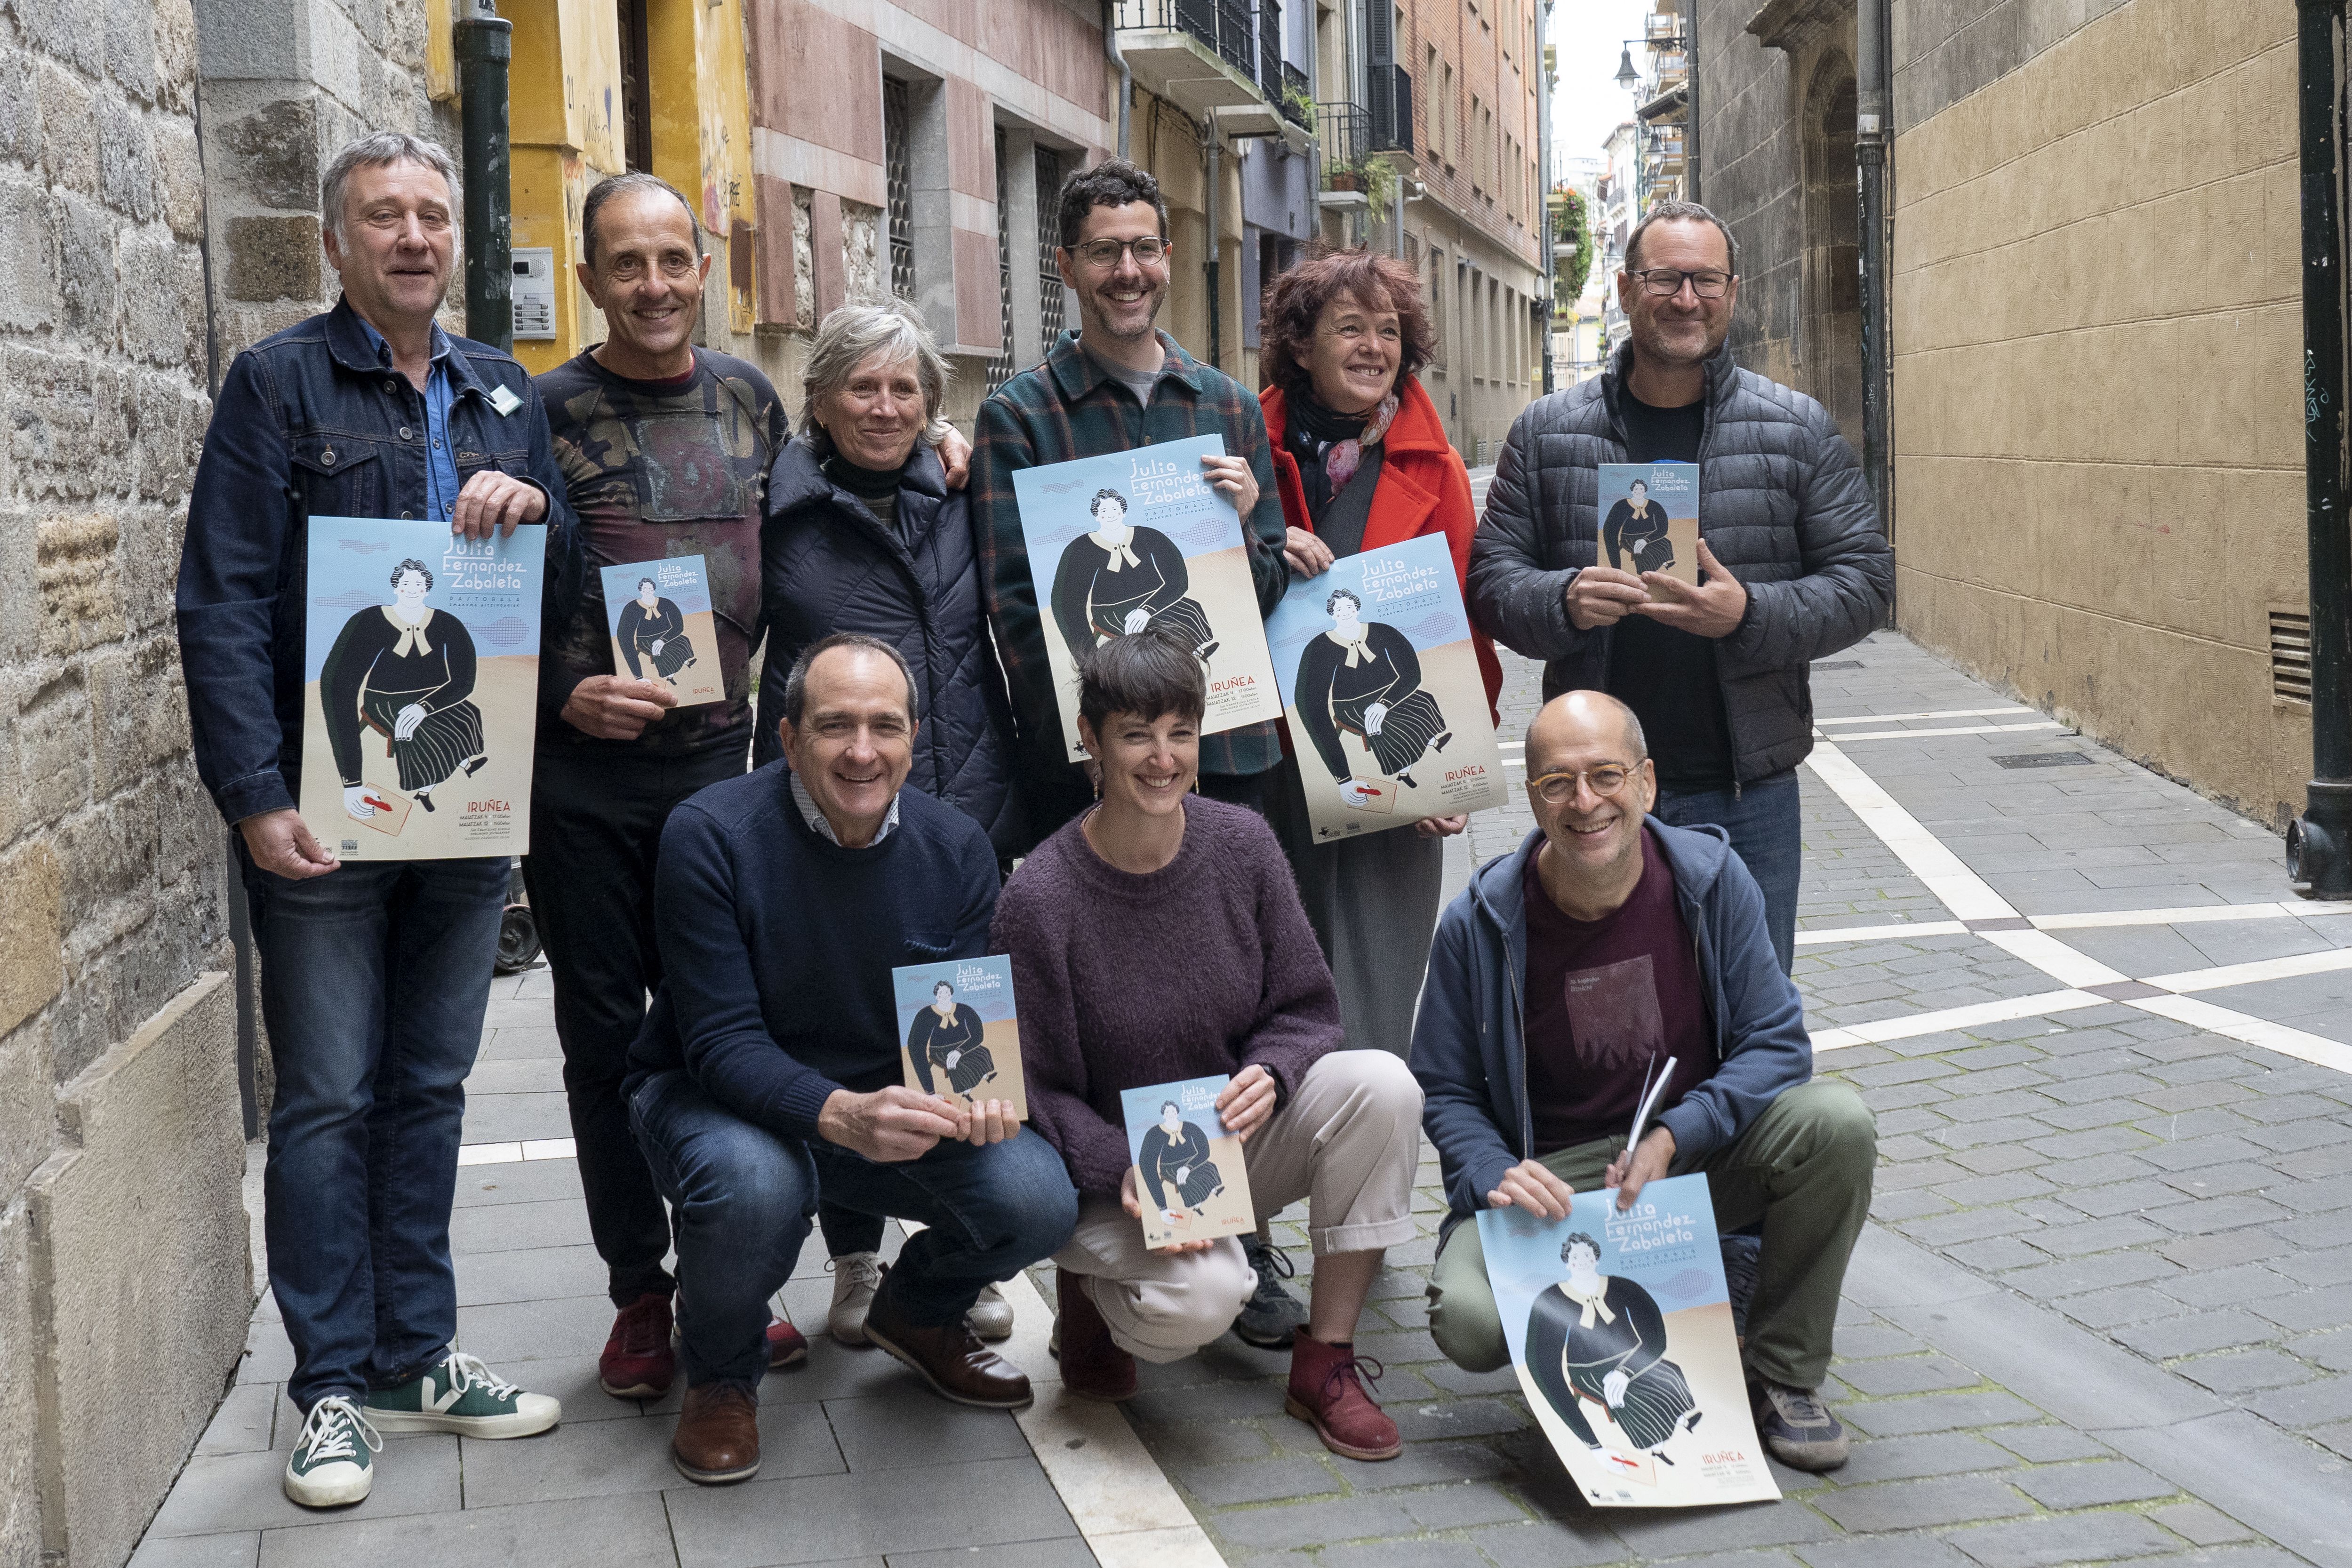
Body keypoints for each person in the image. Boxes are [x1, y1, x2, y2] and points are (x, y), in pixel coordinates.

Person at [176, 132, 573, 1509]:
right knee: (332, 1098)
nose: (411, 237)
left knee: (429, 1089)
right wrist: (254, 796)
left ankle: (415, 1352)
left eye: (428, 217)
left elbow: (550, 591)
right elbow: (219, 601)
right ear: (337, 243)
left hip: (462, 812)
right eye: (381, 218)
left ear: (449, 241)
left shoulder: (504, 394)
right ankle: (330, 1383)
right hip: (323, 821)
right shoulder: (278, 385)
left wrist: (538, 509)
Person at [975, 157, 1304, 1344]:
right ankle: (1106, 1240)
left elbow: (1257, 589)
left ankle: (1248, 1242)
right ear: (1066, 267)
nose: (1130, 271)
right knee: (1109, 1019)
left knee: (1229, 1005)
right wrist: (1093, 758)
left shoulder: (1225, 403)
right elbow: (1018, 608)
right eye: (1105, 251)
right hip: (1099, 771)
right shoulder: (1020, 411)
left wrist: (1246, 523)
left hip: (1227, 759)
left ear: (1172, 258)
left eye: (1146, 249)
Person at [626, 634, 1074, 1486]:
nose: (862, 751)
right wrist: (841, 1113)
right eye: (835, 726)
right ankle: (721, 1370)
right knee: (759, 1184)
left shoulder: (958, 850)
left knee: (1037, 1195)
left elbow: (969, 1034)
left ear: (913, 739)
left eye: (885, 726)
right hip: (708, 1095)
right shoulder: (710, 834)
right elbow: (718, 1043)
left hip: (877, 1107)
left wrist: (979, 1098)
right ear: (789, 739)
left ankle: (917, 1312)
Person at [1411, 690, 1876, 1472]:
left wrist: (1675, 1133)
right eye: (1557, 782)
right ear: (1531, 797)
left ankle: (1781, 1371)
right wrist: (1493, 1173)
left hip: (1684, 1157)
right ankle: (1599, 1349)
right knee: (1467, 1321)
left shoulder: (1708, 881)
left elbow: (1776, 1043)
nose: (1584, 802)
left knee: (1835, 1123)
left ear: (1648, 783)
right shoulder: (1482, 919)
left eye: (1604, 775)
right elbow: (1443, 1085)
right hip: (1552, 1176)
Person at [994, 632, 1425, 1462]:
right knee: (1204, 1303)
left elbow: (1305, 1006)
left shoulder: (1243, 845)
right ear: (1090, 739)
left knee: (1383, 1084)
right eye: (1135, 734)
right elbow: (1034, 1087)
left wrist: (1273, 1069)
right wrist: (1120, 1166)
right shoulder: (1039, 898)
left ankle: (1325, 1357)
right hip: (1107, 1179)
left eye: (1179, 733)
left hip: (1225, 1151)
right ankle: (1093, 1291)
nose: (1162, 758)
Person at [526, 172, 806, 1401]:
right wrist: (555, 697)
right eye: (624, 264)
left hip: (721, 775)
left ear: (704, 270)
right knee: (600, 1037)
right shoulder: (532, 413)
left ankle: (725, 1276)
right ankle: (639, 1290)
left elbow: (813, 538)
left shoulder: (750, 400)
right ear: (588, 278)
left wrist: (937, 450)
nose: (651, 285)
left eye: (671, 261)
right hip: (582, 786)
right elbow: (467, 600)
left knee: (717, 1025)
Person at [1468, 200, 1892, 973]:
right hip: (1593, 797)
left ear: (1732, 291)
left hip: (1745, 793)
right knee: (1603, 1013)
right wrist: (1561, 601)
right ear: (1628, 289)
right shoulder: (1545, 431)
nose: (1685, 299)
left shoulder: (1792, 429)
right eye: (1665, 278)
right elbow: (1491, 581)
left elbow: (1865, 579)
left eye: (1704, 280)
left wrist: (1749, 613)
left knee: (1746, 1015)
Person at [755, 299, 1022, 1347]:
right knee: (842, 1018)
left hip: (967, 799)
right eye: (860, 386)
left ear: (932, 405)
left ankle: (955, 1245)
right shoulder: (775, 508)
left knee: (954, 1022)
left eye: (905, 387)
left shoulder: (964, 491)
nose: (884, 406)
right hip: (831, 803)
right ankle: (855, 1259)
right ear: (818, 399)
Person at [1257, 247, 1502, 1063]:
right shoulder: (1236, 449)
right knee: (1260, 1015)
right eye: (1349, 328)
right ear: (1300, 344)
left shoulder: (1436, 468)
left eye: (1388, 331)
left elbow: (1464, 628)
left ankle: (1363, 1195)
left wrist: (1452, 767)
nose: (1373, 347)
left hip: (1389, 786)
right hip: (1260, 775)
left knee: (1369, 1028)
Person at [318, 557, 488, 815]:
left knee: (468, 715)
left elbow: (464, 680)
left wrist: (425, 706)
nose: (411, 588)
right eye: (405, 583)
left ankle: (462, 766)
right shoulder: (371, 620)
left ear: (427, 589)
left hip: (432, 696)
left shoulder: (448, 622)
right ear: (395, 587)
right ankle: (425, 790)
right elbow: (338, 685)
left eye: (418, 584)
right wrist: (352, 782)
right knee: (424, 733)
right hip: (385, 698)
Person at [1526, 1233, 1697, 1456]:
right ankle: (1656, 1448)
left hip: (1629, 1355)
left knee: (1669, 1373)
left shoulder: (1622, 1286)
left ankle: (1682, 1420)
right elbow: (1543, 1362)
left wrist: (1625, 1371)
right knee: (1629, 1394)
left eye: (1588, 1255)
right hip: (1588, 1369)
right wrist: (1593, 1444)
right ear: (1567, 1264)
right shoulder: (1552, 1297)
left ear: (1597, 1259)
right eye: (1576, 1257)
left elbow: (1655, 1334)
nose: (1584, 1261)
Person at [616, 576, 697, 685]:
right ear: (640, 591)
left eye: (650, 589)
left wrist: (663, 640)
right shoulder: (632, 607)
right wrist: (639, 677)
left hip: (666, 635)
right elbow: (625, 637)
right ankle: (670, 675)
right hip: (646, 640)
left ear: (654, 589)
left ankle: (685, 664)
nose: (648, 591)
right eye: (645, 589)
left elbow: (679, 625)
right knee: (663, 651)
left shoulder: (665, 602)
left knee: (684, 641)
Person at [1601, 479, 1672, 575]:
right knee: (1644, 551)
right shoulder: (1621, 505)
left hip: (1649, 536)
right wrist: (1616, 567)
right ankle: (1645, 574)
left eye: (1641, 489)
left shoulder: (1654, 505)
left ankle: (1663, 564)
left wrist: (1645, 540)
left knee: (1665, 544)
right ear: (1632, 491)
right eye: (1636, 489)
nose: (1639, 491)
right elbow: (1610, 531)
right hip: (1630, 538)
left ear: (1645, 491)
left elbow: (1663, 528)